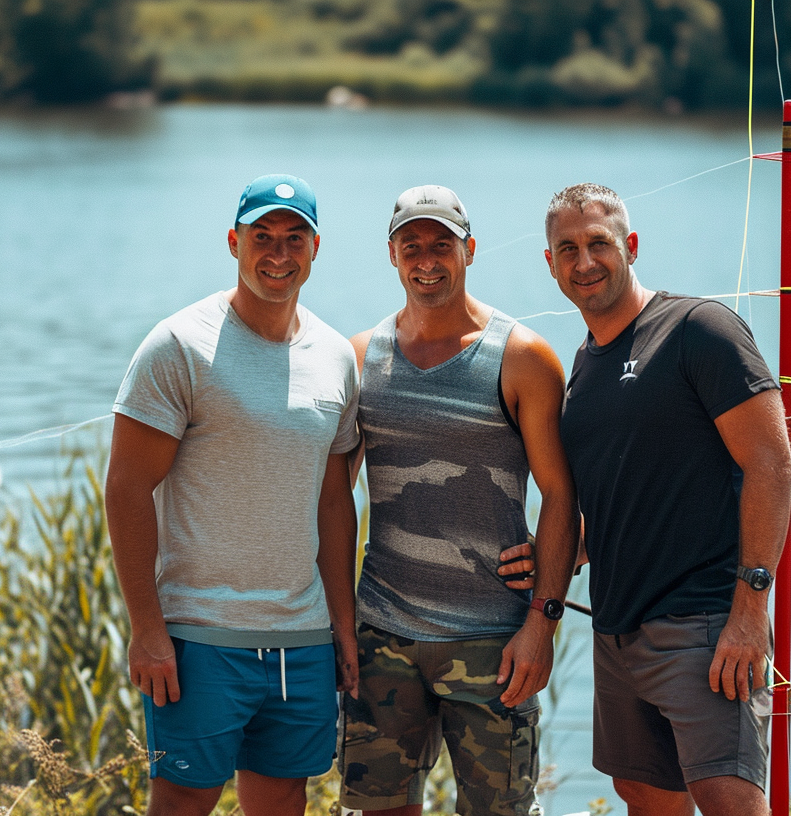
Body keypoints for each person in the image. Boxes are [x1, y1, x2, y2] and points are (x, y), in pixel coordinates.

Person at [104, 174, 360, 816]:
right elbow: (127, 490)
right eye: (262, 236)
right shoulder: (177, 347)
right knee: (183, 803)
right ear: (234, 242)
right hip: (200, 640)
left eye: (293, 237)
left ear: (316, 247)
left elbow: (335, 505)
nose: (278, 253)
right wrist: (147, 630)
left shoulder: (334, 356)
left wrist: (341, 627)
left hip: (301, 641)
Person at [544, 183, 791, 816]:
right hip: (617, 628)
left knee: (728, 801)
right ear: (549, 264)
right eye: (566, 248)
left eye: (599, 243)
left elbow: (771, 462)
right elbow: (617, 500)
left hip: (704, 625)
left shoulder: (697, 328)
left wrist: (750, 609)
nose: (584, 262)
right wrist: (550, 556)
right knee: (646, 799)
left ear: (629, 245)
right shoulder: (585, 362)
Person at [338, 185, 580, 816]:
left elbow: (560, 496)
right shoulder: (360, 357)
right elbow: (332, 498)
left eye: (442, 244)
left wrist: (541, 624)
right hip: (382, 637)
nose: (427, 259)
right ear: (391, 255)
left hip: (494, 646)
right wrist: (339, 625)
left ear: (469, 249)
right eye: (411, 245)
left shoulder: (523, 358)